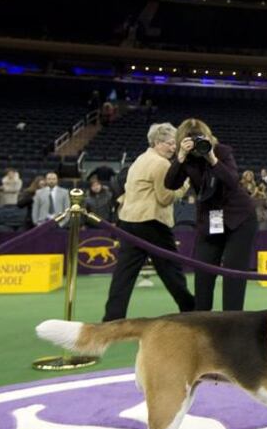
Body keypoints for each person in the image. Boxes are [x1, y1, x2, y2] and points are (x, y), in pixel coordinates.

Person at [102, 123, 195, 321]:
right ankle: (192, 311)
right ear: (157, 142)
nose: (173, 148)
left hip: (128, 222)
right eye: (170, 143)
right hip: (151, 223)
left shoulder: (140, 159)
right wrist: (185, 184)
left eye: (174, 144)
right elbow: (165, 198)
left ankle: (111, 319)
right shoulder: (161, 164)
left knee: (124, 275)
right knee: (172, 271)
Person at [164, 118, 257, 312]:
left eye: (199, 137)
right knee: (204, 273)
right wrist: (180, 156)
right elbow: (170, 184)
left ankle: (232, 324)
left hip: (239, 218)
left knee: (233, 273)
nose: (196, 143)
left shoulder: (222, 151)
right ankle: (202, 323)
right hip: (210, 221)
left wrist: (212, 159)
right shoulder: (186, 159)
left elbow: (232, 181)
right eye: (189, 138)